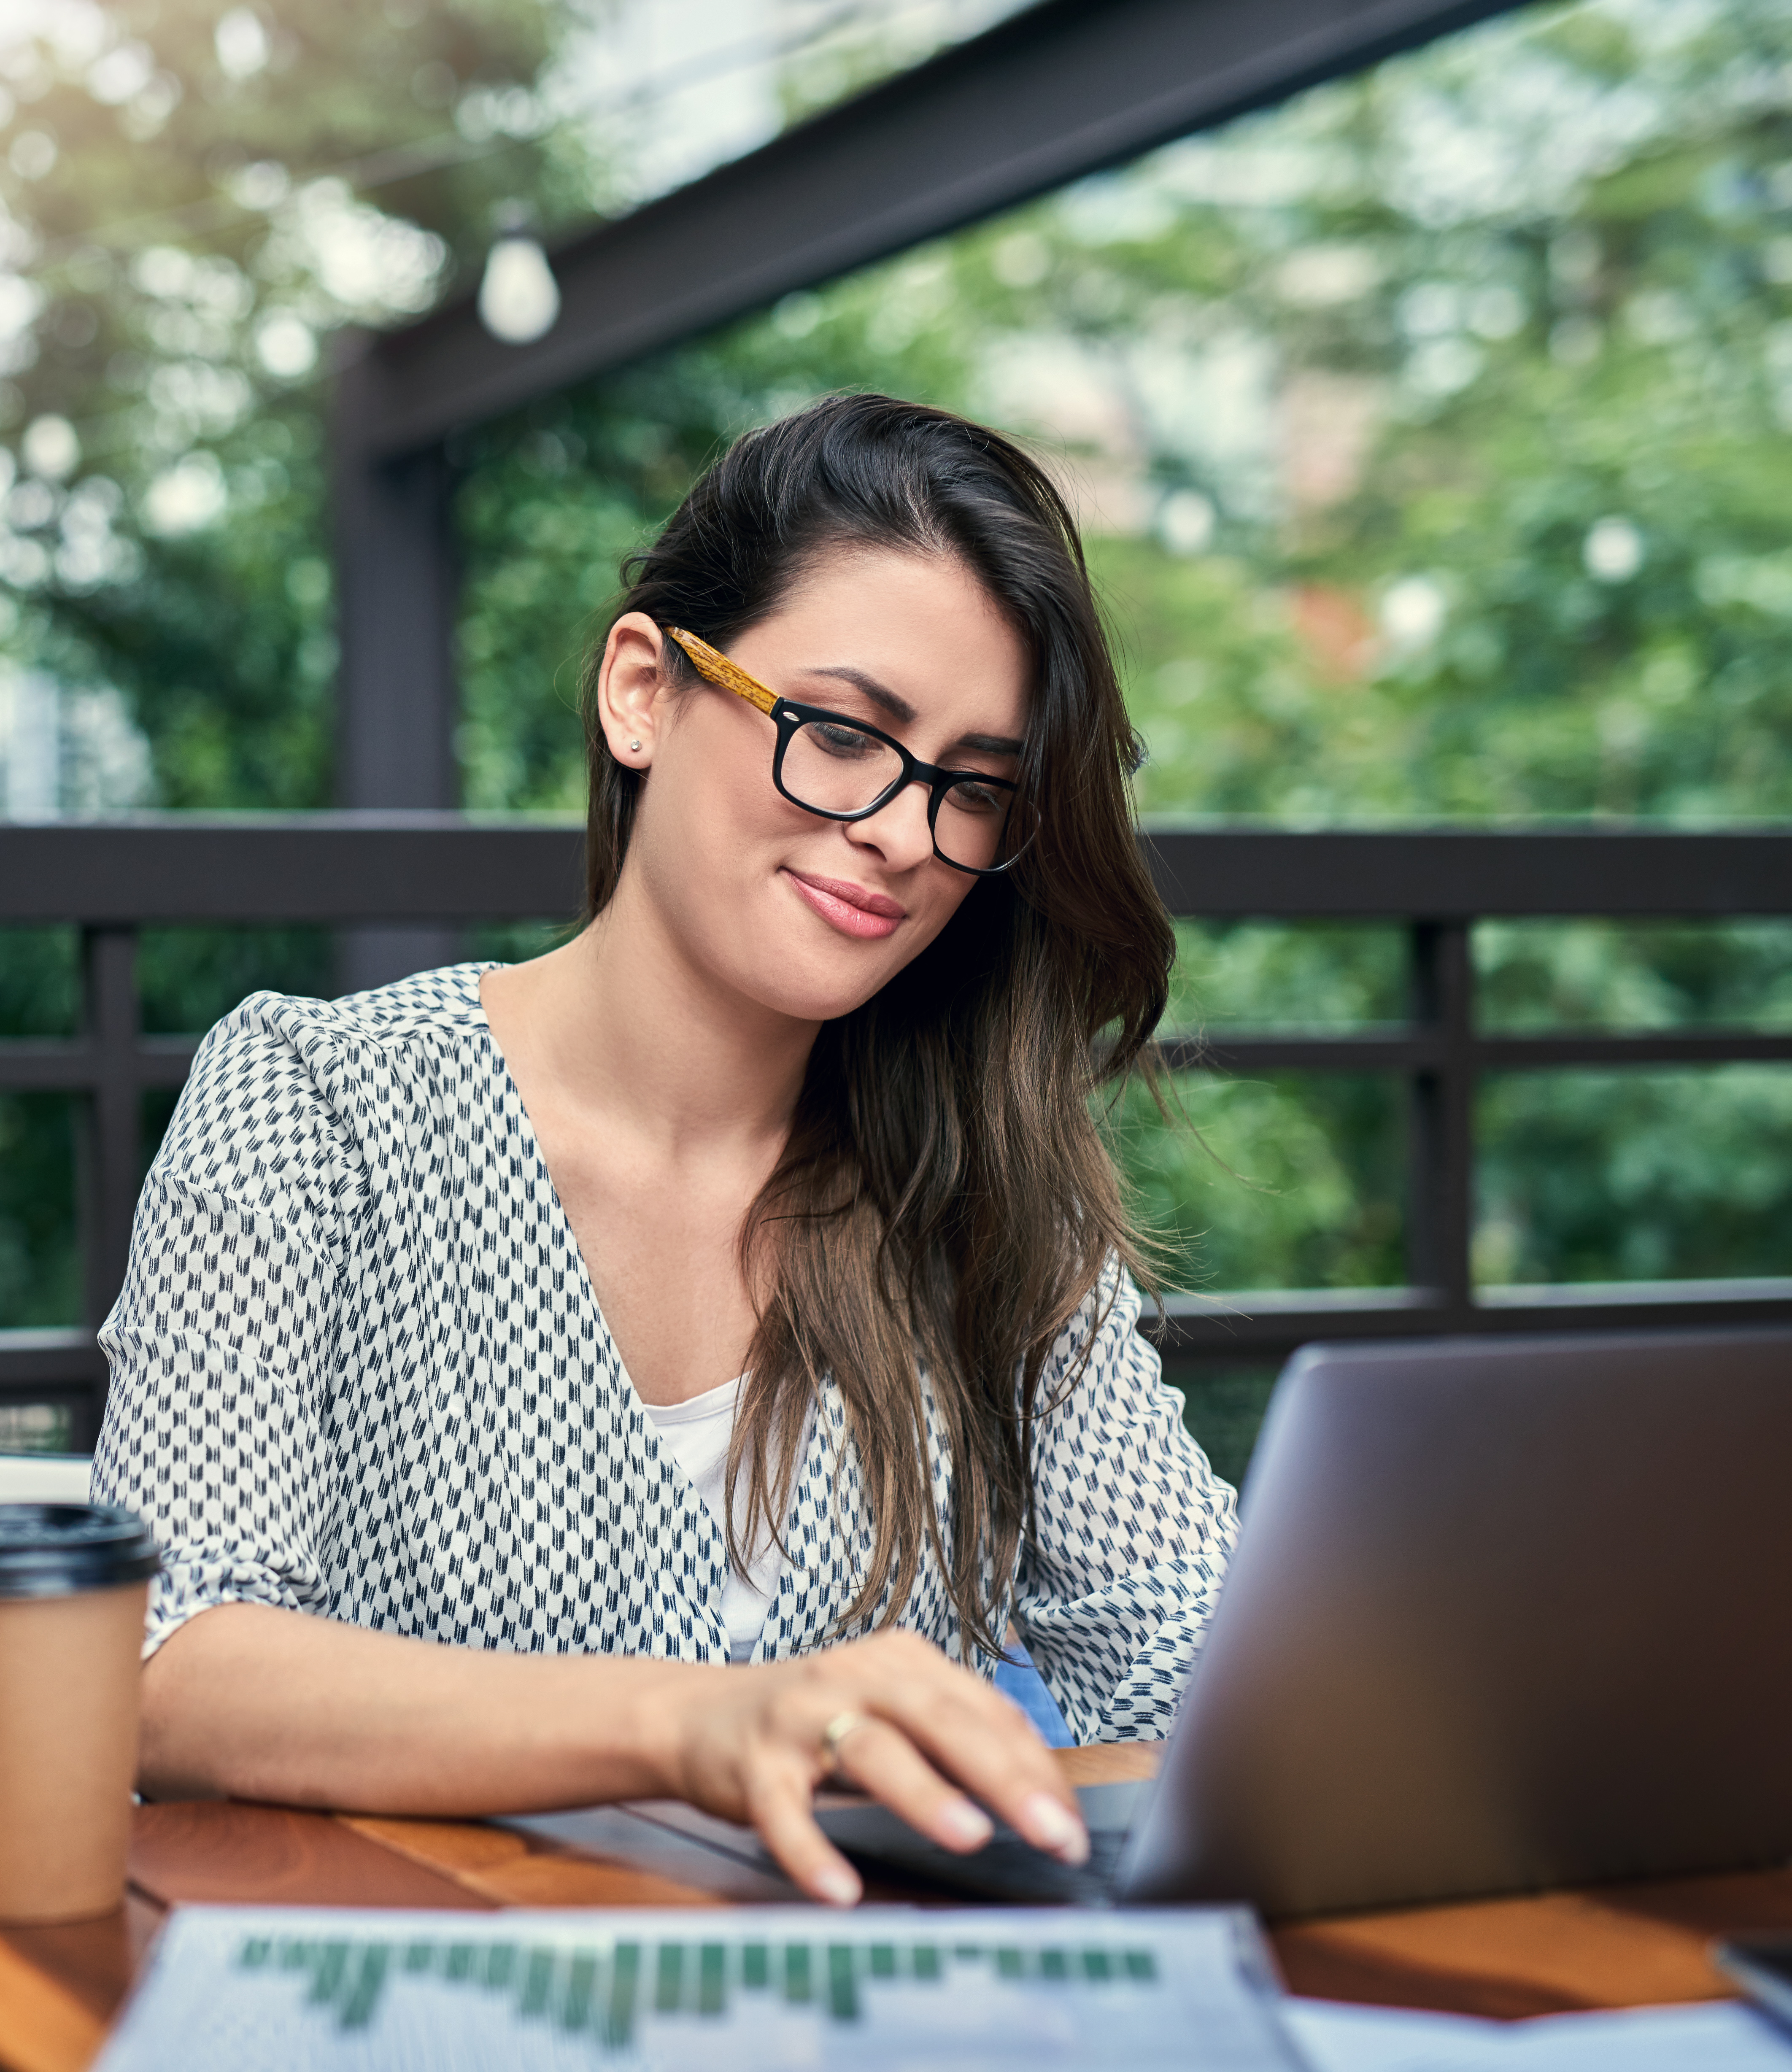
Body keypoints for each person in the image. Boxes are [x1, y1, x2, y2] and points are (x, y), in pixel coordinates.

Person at [89, 392, 1239, 1905]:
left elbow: (1202, 1670)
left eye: (974, 785)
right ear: (645, 690)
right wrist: (696, 1726)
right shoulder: (319, 1104)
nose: (904, 832)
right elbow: (171, 1666)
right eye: (842, 735)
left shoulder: (979, 1190)